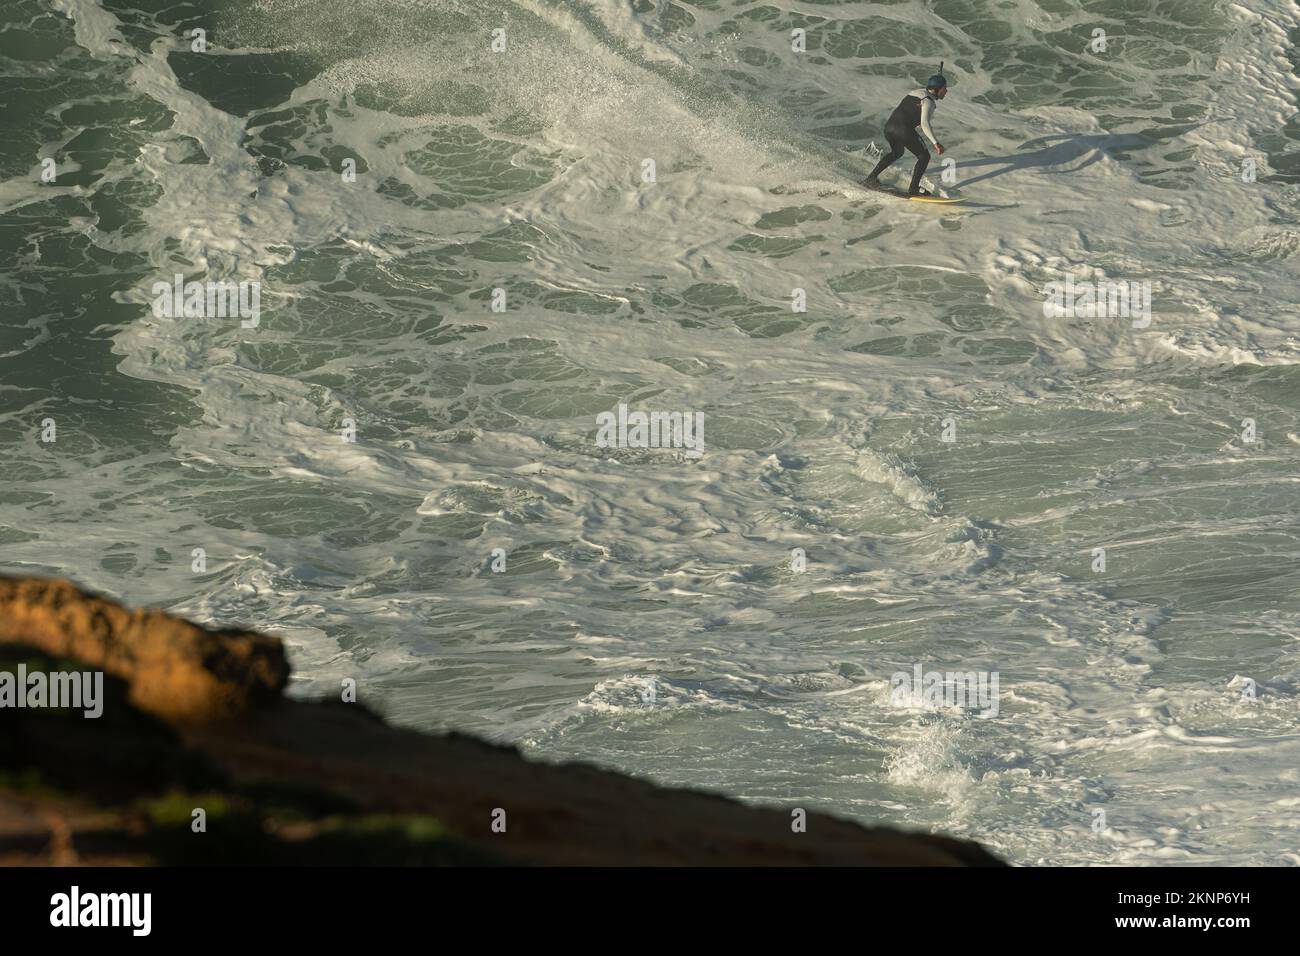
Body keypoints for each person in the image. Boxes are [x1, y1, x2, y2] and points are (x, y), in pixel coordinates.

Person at [864, 65, 948, 196]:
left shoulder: (916, 93)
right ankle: (913, 189)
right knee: (924, 156)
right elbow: (925, 123)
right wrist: (935, 143)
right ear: (937, 89)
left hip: (889, 127)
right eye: (944, 89)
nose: (946, 91)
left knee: (897, 153)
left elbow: (910, 111)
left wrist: (918, 121)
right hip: (903, 130)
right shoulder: (928, 101)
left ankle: (870, 178)